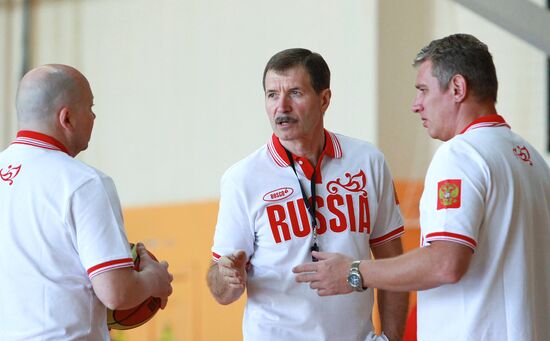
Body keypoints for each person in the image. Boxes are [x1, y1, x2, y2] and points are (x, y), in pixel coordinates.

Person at [293, 34, 550, 340]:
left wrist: (354, 272)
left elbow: (445, 263)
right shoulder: (531, 158)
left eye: (423, 90)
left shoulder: (461, 156)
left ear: (457, 88)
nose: (416, 105)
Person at [207, 48, 408, 341]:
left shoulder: (368, 162)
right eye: (272, 94)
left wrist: (390, 338)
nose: (281, 106)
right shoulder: (242, 179)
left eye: (295, 93)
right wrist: (226, 278)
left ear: (324, 99)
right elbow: (221, 291)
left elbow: (393, 264)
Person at [0, 64, 173, 340]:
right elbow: (118, 293)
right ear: (66, 118)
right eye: (90, 107)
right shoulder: (83, 183)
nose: (94, 116)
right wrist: (154, 279)